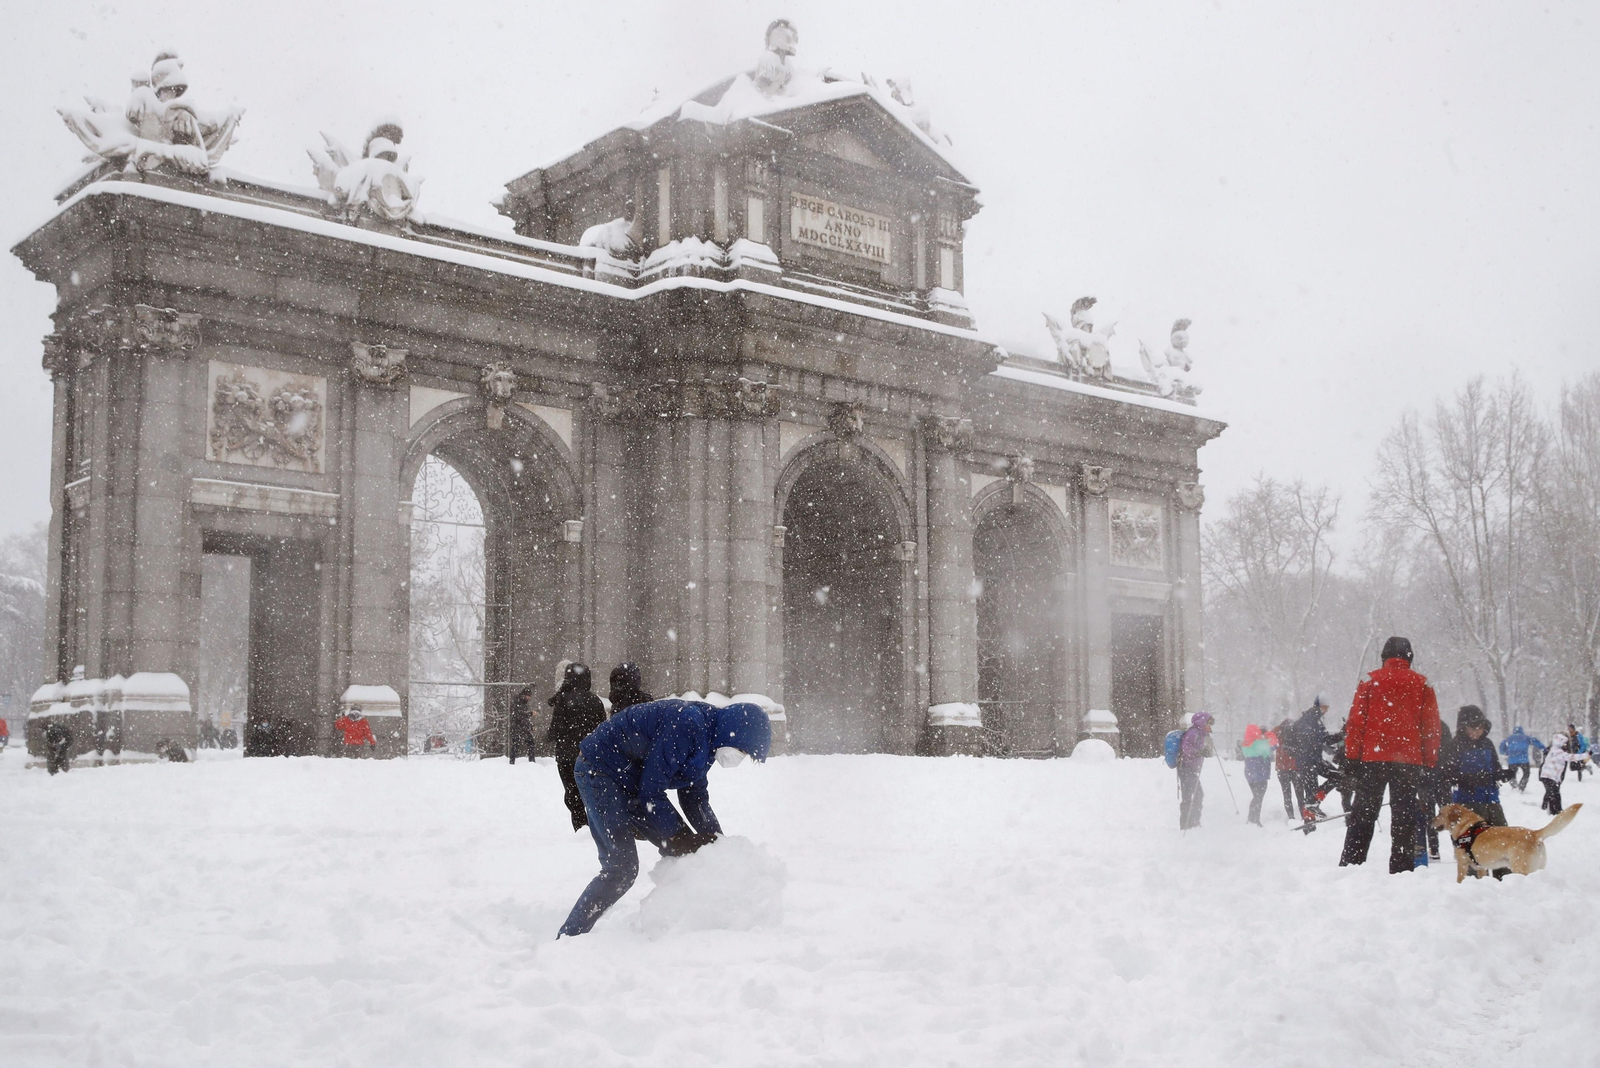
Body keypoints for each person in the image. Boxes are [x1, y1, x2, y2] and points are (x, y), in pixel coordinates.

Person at [558, 697, 771, 937]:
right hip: (600, 770)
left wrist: (716, 844)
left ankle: (678, 926)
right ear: (733, 732)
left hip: (631, 780)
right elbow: (651, 790)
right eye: (742, 750)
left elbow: (695, 797)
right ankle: (569, 937)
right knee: (622, 867)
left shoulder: (708, 740)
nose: (739, 757)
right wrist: (680, 836)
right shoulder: (688, 724)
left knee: (685, 850)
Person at [1339, 637, 1441, 873]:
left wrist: (1352, 757)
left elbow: (1356, 723)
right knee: (1403, 817)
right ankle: (1401, 868)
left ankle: (1351, 866)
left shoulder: (1370, 682)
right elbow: (1431, 728)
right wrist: (1429, 761)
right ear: (1409, 657)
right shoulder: (1423, 685)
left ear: (1385, 657)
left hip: (1372, 759)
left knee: (1363, 814)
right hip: (1408, 761)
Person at [546, 663, 607, 831]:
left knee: (572, 794)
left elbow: (555, 730)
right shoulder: (595, 700)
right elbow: (602, 728)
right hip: (588, 754)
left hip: (566, 755)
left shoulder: (563, 699)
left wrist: (550, 735)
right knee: (591, 792)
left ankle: (581, 827)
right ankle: (597, 825)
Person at [1439, 704, 1508, 828]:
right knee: (1471, 842)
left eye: (1480, 727)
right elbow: (1446, 775)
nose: (1477, 731)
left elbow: (1495, 768)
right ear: (1463, 727)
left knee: (1501, 839)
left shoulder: (1487, 744)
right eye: (1473, 727)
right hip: (1466, 804)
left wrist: (1503, 774)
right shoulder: (1454, 745)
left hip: (1491, 801)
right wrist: (1468, 779)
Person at [1286, 696, 1332, 819]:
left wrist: (1343, 734)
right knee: (1311, 791)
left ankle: (1312, 808)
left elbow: (1325, 740)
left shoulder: (1316, 720)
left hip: (1311, 761)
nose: (1326, 710)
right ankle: (1309, 821)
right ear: (1319, 706)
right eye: (1325, 707)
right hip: (1308, 762)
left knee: (1312, 790)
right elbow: (1314, 740)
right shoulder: (1309, 720)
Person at [1177, 712, 1212, 830]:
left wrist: (1203, 751)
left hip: (1190, 768)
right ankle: (1188, 823)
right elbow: (1186, 748)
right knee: (1193, 795)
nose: (1210, 726)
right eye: (1209, 723)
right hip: (1186, 768)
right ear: (1202, 722)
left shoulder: (1200, 733)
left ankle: (1191, 822)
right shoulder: (1193, 732)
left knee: (1193, 795)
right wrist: (1199, 752)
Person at [1241, 723, 1276, 826]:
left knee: (1256, 796)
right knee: (1259, 797)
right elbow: (1274, 744)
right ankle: (1254, 820)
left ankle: (1252, 818)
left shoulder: (1245, 745)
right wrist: (1269, 734)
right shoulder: (1260, 744)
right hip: (1260, 774)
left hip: (1250, 774)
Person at [1272, 717, 1301, 819]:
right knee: (1300, 794)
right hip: (1295, 767)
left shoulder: (1278, 732)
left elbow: (1269, 739)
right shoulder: (1295, 731)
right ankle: (1304, 816)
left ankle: (1291, 817)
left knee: (1286, 794)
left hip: (1282, 768)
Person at [1499, 726, 1544, 792]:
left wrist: (1505, 752)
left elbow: (1502, 746)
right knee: (1526, 773)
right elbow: (1536, 742)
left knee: (1512, 774)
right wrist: (1544, 748)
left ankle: (1514, 786)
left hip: (1512, 760)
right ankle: (1522, 786)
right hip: (1524, 760)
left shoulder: (1509, 738)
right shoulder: (1526, 738)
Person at [1539, 732, 1571, 816]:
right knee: (1553, 791)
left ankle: (1548, 808)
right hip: (1550, 773)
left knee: (1551, 791)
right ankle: (1554, 810)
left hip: (1552, 773)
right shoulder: (1554, 749)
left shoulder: (1555, 749)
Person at [507, 684, 538, 764]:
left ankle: (531, 762)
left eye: (529, 696)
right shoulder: (517, 702)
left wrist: (531, 726)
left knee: (530, 743)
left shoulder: (523, 703)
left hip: (523, 727)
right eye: (527, 696)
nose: (528, 698)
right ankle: (512, 763)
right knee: (516, 745)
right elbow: (519, 715)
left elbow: (524, 718)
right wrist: (530, 713)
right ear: (523, 695)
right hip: (517, 727)